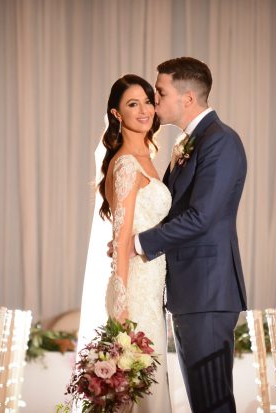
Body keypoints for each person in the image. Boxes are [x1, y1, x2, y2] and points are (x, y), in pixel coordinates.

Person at [134, 57, 248, 412]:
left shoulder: (221, 141)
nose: (154, 99)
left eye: (161, 92)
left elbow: (202, 217)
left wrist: (138, 243)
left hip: (208, 291)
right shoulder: (191, 142)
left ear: (187, 98)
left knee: (213, 403)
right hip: (191, 292)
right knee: (203, 404)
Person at [99, 74, 172, 412]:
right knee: (144, 394)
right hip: (135, 293)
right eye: (133, 104)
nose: (144, 110)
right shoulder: (127, 163)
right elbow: (122, 238)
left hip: (152, 289)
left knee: (147, 391)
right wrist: (122, 307)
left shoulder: (147, 159)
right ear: (117, 114)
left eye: (147, 101)